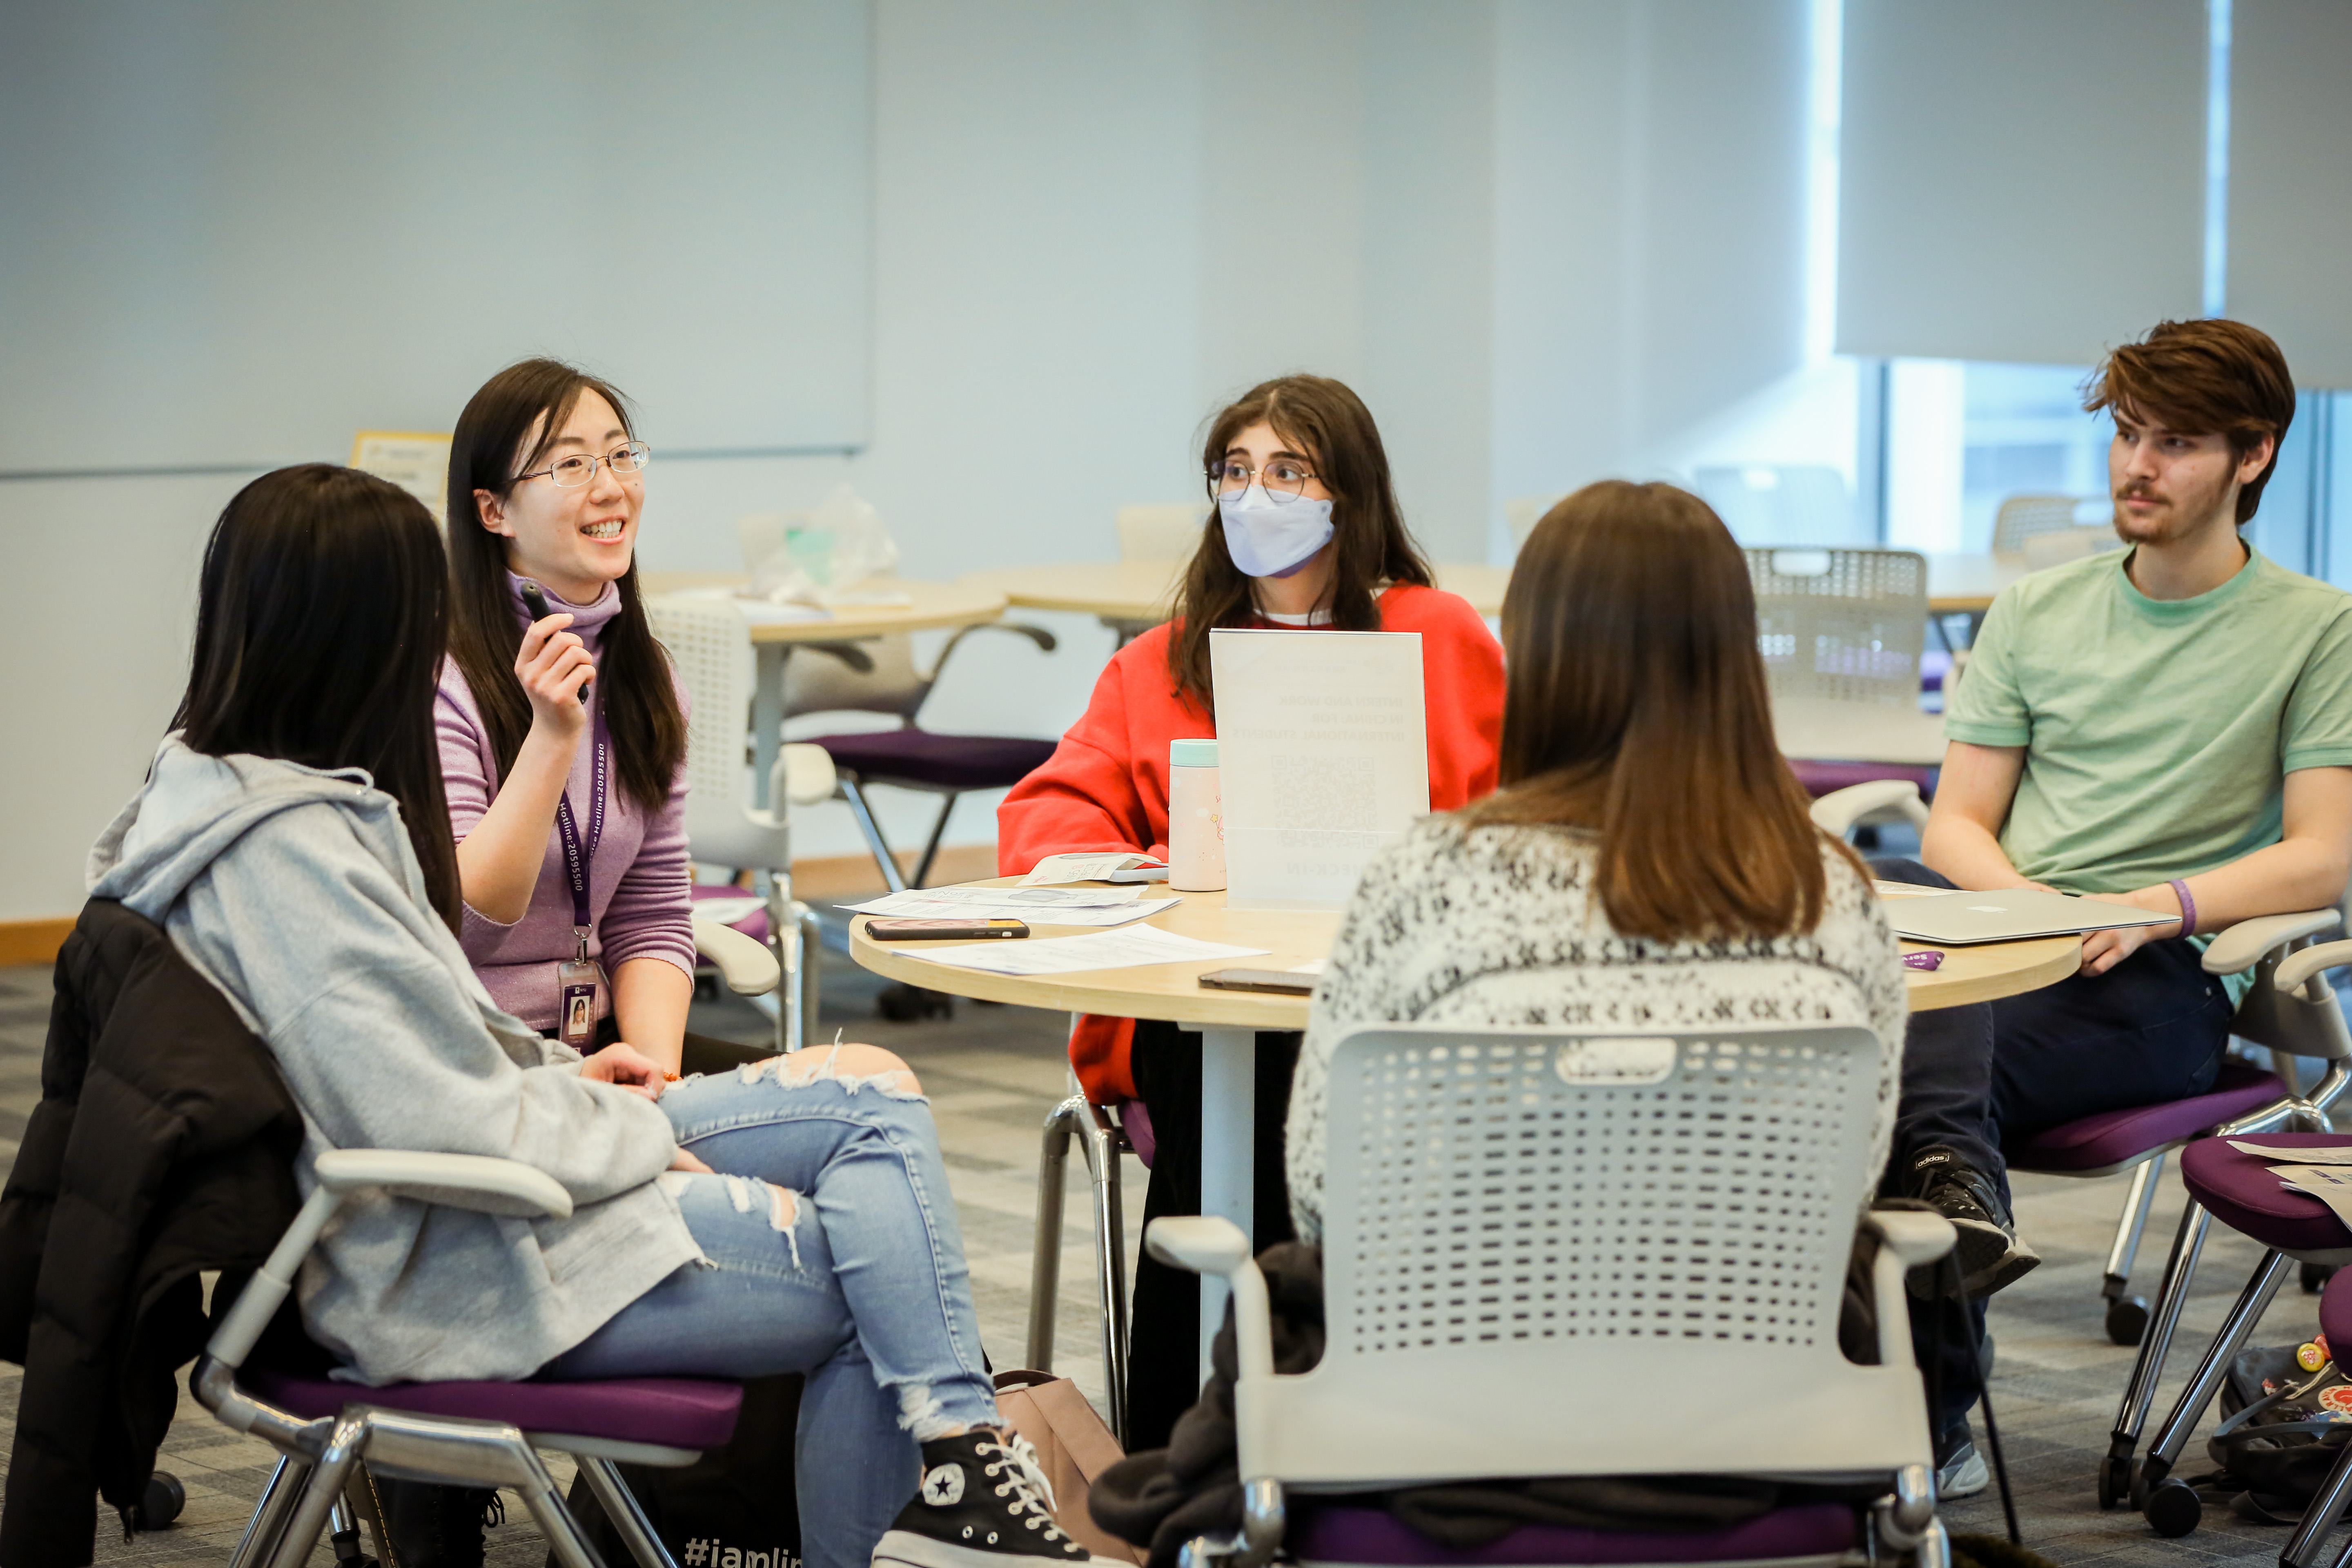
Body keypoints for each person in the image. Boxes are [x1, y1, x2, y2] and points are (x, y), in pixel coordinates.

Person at [86, 464, 1113, 1568]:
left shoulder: (269, 803)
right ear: (348, 629)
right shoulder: (289, 853)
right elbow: (428, 1116)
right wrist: (645, 1148)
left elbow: (428, 1043)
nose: (428, 642)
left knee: (868, 1102)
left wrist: (575, 1085)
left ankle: (957, 1461)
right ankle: (948, 1477)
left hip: (498, 1166)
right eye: (412, 614)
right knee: (874, 1276)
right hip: (452, 1254)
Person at [997, 374, 1506, 1448]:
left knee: (1320, 1076)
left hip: (1408, 1012)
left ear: (1347, 494)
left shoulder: (1439, 635)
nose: (1255, 495)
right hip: (1203, 1015)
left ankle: (1297, 1437)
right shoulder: (1159, 662)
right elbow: (1044, 822)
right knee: (1241, 1069)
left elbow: (1528, 816)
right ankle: (1202, 1445)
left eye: (1288, 472)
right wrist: (1162, 867)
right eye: (1235, 472)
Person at [1887, 317, 2352, 1482]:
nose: (2137, 466)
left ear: (2254, 456)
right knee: (1883, 895)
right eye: (2129, 436)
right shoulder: (2040, 612)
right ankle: (1944, 1250)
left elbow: (2321, 858)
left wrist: (2155, 906)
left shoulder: (2318, 629)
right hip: (2011, 939)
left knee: (1897, 1059)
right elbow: (1957, 826)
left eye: (2178, 442)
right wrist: (2033, 911)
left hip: (2160, 980)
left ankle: (1936, 1427)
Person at [439, 358, 748, 1078]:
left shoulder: (646, 675)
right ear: (494, 512)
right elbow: (460, 927)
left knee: (871, 1085)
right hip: (478, 1063)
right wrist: (550, 739)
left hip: (609, 1051)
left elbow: (652, 909)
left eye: (619, 455)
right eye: (570, 465)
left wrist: (656, 1081)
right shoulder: (442, 674)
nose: (611, 487)